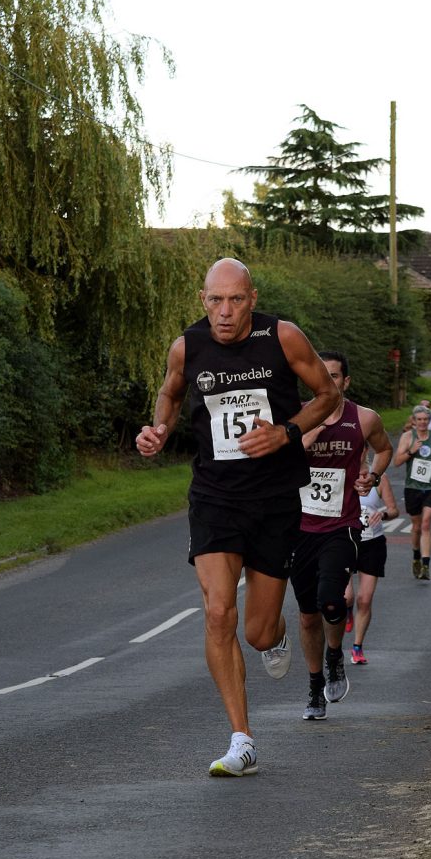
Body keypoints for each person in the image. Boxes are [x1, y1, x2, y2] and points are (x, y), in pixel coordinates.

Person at [135, 258, 340, 777]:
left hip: (274, 500)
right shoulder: (188, 346)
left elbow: (327, 395)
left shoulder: (284, 338)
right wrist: (158, 429)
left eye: (235, 300)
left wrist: (285, 434)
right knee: (217, 612)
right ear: (202, 299)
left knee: (256, 632)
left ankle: (275, 634)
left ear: (252, 298)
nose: (224, 313)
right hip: (214, 496)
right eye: (214, 301)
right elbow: (170, 392)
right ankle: (241, 739)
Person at [293, 351, 393, 721]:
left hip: (342, 525)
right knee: (306, 617)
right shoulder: (297, 417)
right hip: (299, 527)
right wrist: (303, 438)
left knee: (331, 601)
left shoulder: (364, 419)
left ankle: (335, 655)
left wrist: (374, 475)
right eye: (322, 375)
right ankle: (315, 686)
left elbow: (384, 450)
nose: (328, 381)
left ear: (345, 382)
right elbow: (269, 462)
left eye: (335, 376)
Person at [346, 471, 399, 665]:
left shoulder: (379, 477)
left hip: (373, 543)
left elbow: (394, 510)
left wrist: (382, 514)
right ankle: (347, 609)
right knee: (347, 597)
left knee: (365, 599)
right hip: (347, 542)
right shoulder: (343, 470)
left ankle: (357, 647)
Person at [394, 405, 431, 582]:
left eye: (426, 419)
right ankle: (416, 555)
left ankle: (426, 565)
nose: (423, 422)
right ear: (414, 421)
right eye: (419, 419)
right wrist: (412, 451)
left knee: (426, 524)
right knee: (416, 527)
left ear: (429, 420)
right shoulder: (407, 437)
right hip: (413, 486)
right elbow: (396, 462)